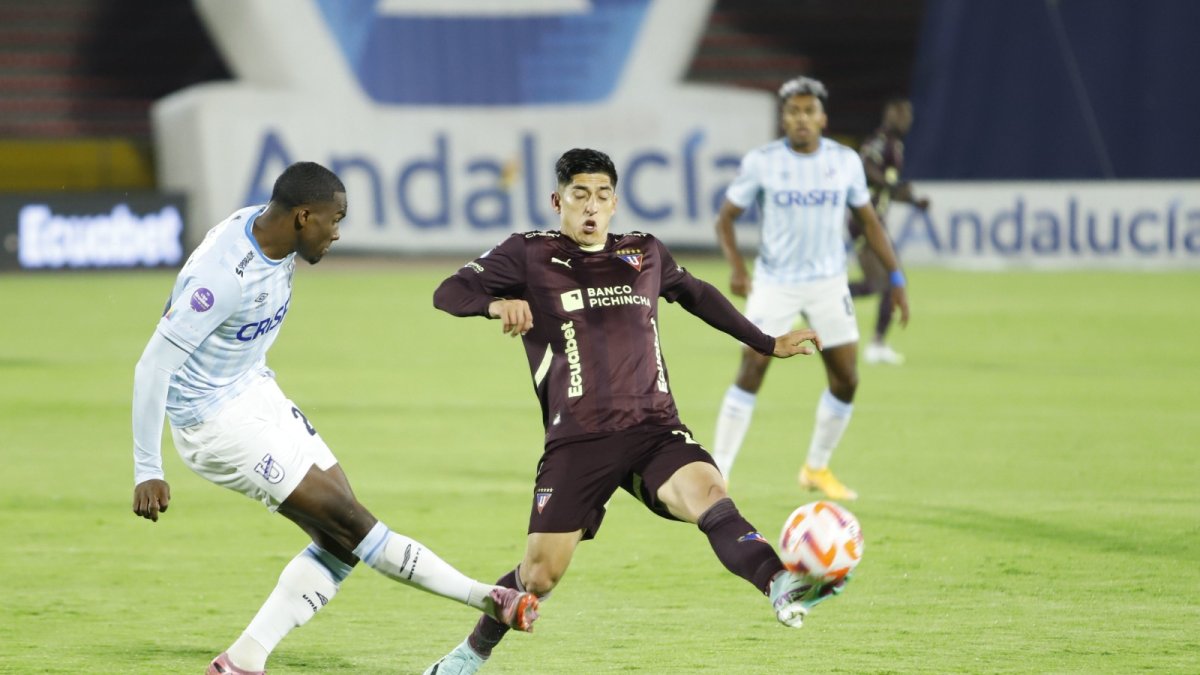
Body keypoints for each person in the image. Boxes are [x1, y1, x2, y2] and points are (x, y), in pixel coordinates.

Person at [423, 148, 845, 674]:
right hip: (579, 438)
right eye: (579, 195)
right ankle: (472, 653)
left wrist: (767, 342)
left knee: (712, 495)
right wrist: (495, 303)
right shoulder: (528, 254)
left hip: (655, 427)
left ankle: (780, 581)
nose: (591, 207)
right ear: (558, 200)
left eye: (602, 196)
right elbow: (449, 291)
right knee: (539, 578)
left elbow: (697, 294)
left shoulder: (644, 252)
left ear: (616, 202)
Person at [130, 161, 539, 675]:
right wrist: (149, 467)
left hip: (255, 390)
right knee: (356, 527)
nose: (338, 232)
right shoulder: (222, 277)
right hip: (214, 424)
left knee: (339, 541)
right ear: (303, 217)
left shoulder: (271, 232)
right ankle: (488, 598)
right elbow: (153, 366)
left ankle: (242, 661)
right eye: (334, 219)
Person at [710, 76, 911, 499]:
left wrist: (895, 277)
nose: (801, 118)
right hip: (775, 284)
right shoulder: (762, 162)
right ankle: (718, 474)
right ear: (784, 118)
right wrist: (736, 268)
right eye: (793, 111)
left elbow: (871, 222)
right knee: (752, 368)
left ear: (822, 117)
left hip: (828, 283)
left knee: (847, 378)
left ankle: (816, 468)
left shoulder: (845, 161)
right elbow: (725, 217)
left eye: (808, 111)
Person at [848, 97, 929, 365]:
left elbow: (887, 188)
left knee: (886, 282)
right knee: (887, 281)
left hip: (875, 221)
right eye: (903, 116)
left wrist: (914, 201)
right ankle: (816, 301)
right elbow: (867, 169)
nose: (907, 121)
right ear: (891, 116)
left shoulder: (896, 146)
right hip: (864, 221)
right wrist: (891, 186)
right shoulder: (880, 142)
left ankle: (878, 343)